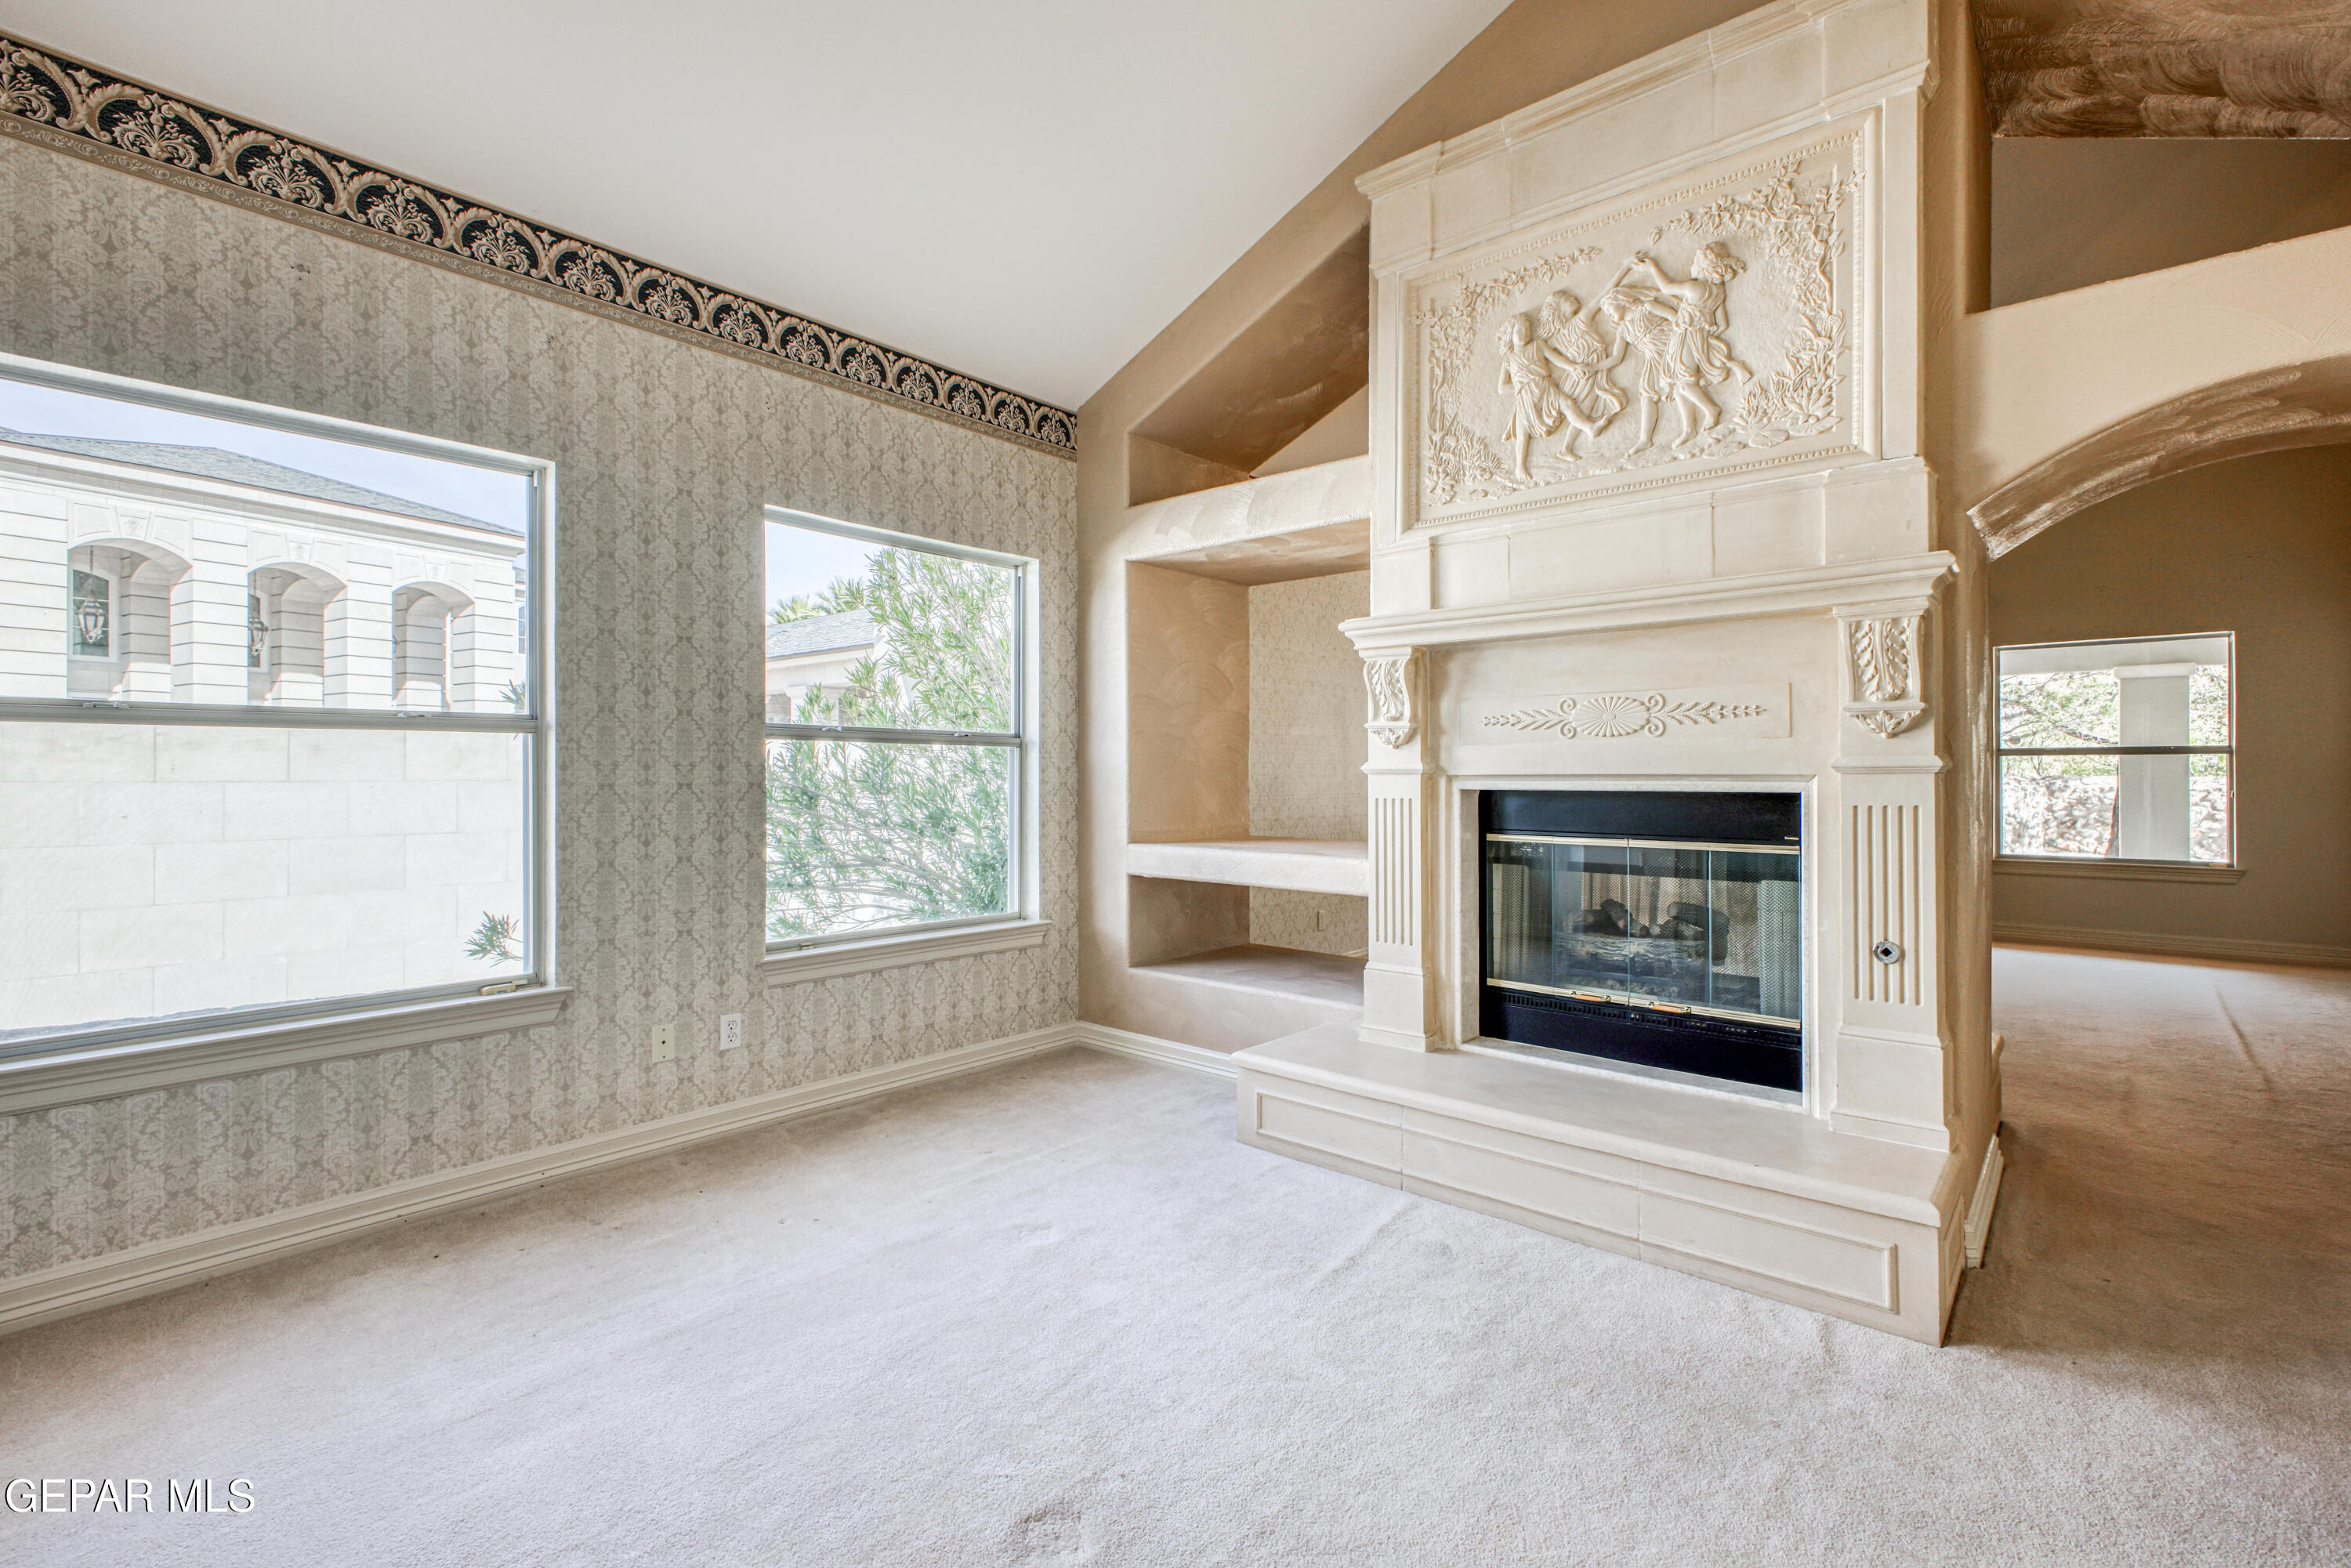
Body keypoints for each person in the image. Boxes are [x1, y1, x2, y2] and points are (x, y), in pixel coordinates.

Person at [1599, 242, 1749, 451]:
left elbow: (1668, 294)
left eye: (1694, 263)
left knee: (1683, 383)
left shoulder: (1692, 289)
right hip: (1686, 340)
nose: (1691, 267)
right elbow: (1722, 324)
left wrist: (1652, 267)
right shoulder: (1718, 292)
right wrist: (1704, 332)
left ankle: (1711, 409)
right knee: (1676, 386)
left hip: (1679, 340)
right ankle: (1687, 430)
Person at [1533, 288, 1626, 455]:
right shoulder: (1580, 320)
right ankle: (1569, 445)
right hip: (1584, 373)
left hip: (1585, 372)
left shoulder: (1556, 338)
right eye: (1567, 298)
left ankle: (1566, 448)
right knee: (1583, 408)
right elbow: (1603, 293)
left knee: (1583, 409)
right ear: (1559, 310)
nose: (1572, 297)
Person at [1494, 312, 1567, 481]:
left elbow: (1557, 360)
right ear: (1511, 334)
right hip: (1525, 398)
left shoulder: (1537, 347)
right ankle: (1520, 466)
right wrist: (1525, 385)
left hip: (1545, 390)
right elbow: (1502, 388)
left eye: (1528, 330)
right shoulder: (1508, 359)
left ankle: (1588, 427)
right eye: (1519, 330)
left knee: (1567, 405)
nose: (1525, 333)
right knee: (1523, 434)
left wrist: (1572, 367)